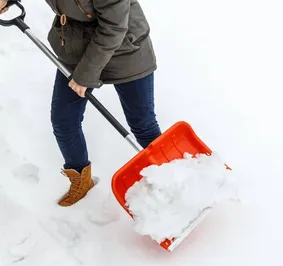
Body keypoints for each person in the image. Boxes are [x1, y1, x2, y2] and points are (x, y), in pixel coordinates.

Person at [0, 0, 162, 206]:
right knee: (63, 120)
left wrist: (85, 76)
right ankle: (81, 179)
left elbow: (113, 27)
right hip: (76, 46)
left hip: (125, 50)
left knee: (143, 126)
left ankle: (168, 179)